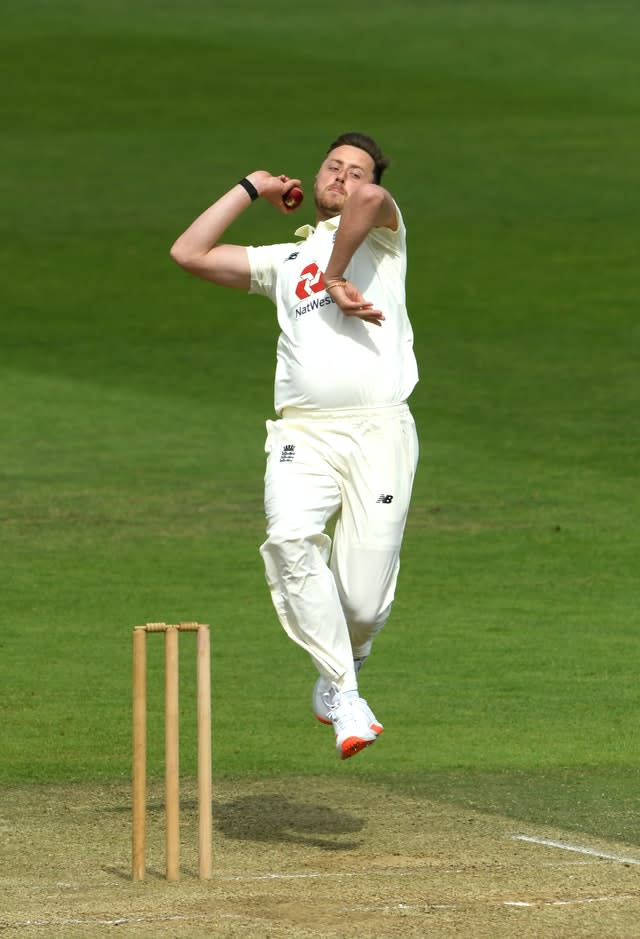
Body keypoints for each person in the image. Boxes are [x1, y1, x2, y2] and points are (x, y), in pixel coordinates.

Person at [170, 132, 419, 760]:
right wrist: (252, 185)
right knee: (288, 541)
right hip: (302, 434)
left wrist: (336, 273)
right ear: (314, 178)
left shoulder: (383, 234)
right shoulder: (283, 261)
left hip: (379, 431)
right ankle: (344, 691)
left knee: (362, 599)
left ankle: (349, 658)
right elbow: (189, 254)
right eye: (333, 167)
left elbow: (374, 199)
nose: (344, 177)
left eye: (355, 169)